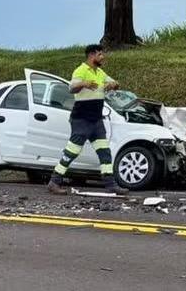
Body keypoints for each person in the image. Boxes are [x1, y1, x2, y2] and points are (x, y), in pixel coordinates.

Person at [47, 44, 129, 196]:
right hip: (82, 119)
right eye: (99, 54)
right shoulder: (81, 70)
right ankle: (54, 181)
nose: (102, 57)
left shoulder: (100, 72)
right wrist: (84, 83)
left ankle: (110, 185)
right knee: (72, 151)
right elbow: (71, 88)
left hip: (96, 120)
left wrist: (113, 85)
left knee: (105, 152)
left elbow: (115, 84)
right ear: (91, 56)